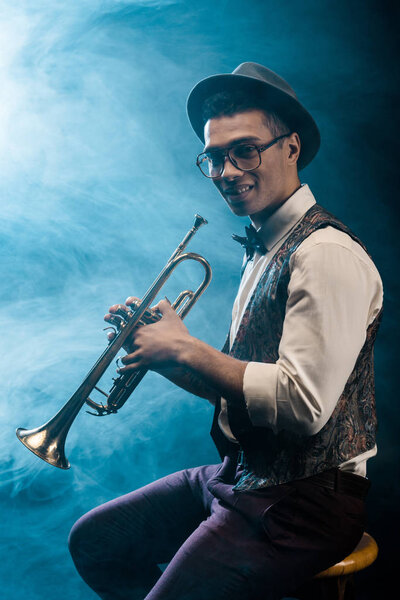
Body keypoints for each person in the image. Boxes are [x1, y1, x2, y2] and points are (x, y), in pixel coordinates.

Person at [68, 62, 383, 600]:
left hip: (307, 501)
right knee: (95, 541)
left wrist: (188, 347)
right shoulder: (265, 249)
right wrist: (166, 357)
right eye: (213, 157)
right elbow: (240, 387)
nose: (226, 171)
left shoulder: (325, 254)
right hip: (242, 475)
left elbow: (303, 406)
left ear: (291, 147)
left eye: (244, 149)